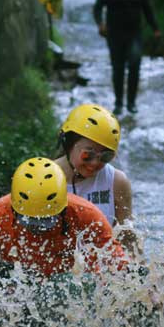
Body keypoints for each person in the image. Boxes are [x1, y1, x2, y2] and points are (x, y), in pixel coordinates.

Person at [0, 157, 128, 277]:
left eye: (47, 220)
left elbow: (119, 263)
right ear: (14, 209)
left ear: (63, 208)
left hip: (66, 279)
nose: (38, 229)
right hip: (16, 277)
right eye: (30, 221)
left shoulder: (87, 215)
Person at [53, 103, 141, 257]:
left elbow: (128, 243)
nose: (94, 163)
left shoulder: (117, 182)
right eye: (88, 155)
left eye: (105, 157)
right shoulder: (42, 179)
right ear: (69, 143)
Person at [93, 0, 160, 116]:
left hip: (134, 34)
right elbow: (97, 7)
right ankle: (118, 103)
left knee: (135, 65)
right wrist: (101, 24)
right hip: (115, 35)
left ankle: (131, 103)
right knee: (118, 68)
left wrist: (156, 29)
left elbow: (148, 10)